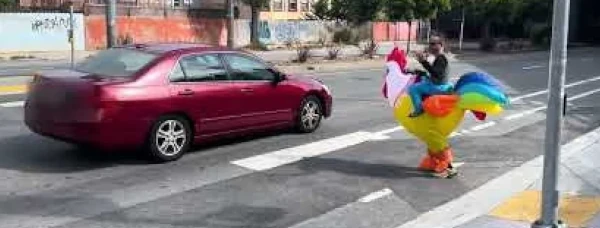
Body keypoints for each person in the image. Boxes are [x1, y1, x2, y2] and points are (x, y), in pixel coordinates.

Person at [408, 37, 452, 118]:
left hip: (439, 87)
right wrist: (418, 71)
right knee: (423, 79)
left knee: (413, 88)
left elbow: (436, 73)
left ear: (441, 45)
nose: (431, 46)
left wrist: (423, 61)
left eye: (433, 44)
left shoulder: (441, 58)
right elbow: (433, 72)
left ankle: (419, 109)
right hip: (441, 84)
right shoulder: (440, 57)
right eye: (430, 44)